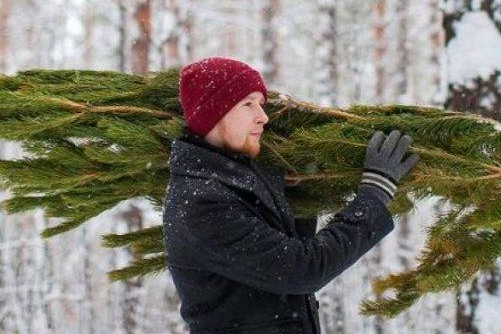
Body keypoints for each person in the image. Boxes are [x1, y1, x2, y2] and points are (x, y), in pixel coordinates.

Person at [162, 57, 419, 334]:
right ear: (214, 113)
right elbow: (302, 269)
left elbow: (285, 267)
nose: (263, 116)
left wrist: (305, 189)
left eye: (261, 104)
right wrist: (374, 194)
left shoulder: (234, 183)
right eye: (248, 104)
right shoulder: (202, 203)